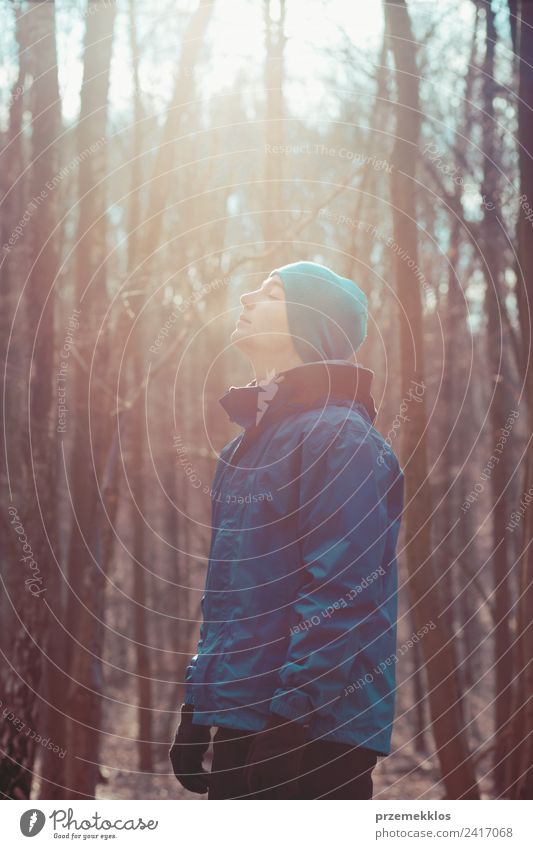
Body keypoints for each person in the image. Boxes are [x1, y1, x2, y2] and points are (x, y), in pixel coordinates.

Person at [169, 261, 405, 799]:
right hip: (243, 719)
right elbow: (230, 599)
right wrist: (198, 706)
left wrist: (291, 724)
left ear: (312, 324)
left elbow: (344, 596)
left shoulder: (343, 441)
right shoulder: (242, 449)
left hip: (315, 736)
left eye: (271, 293)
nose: (247, 298)